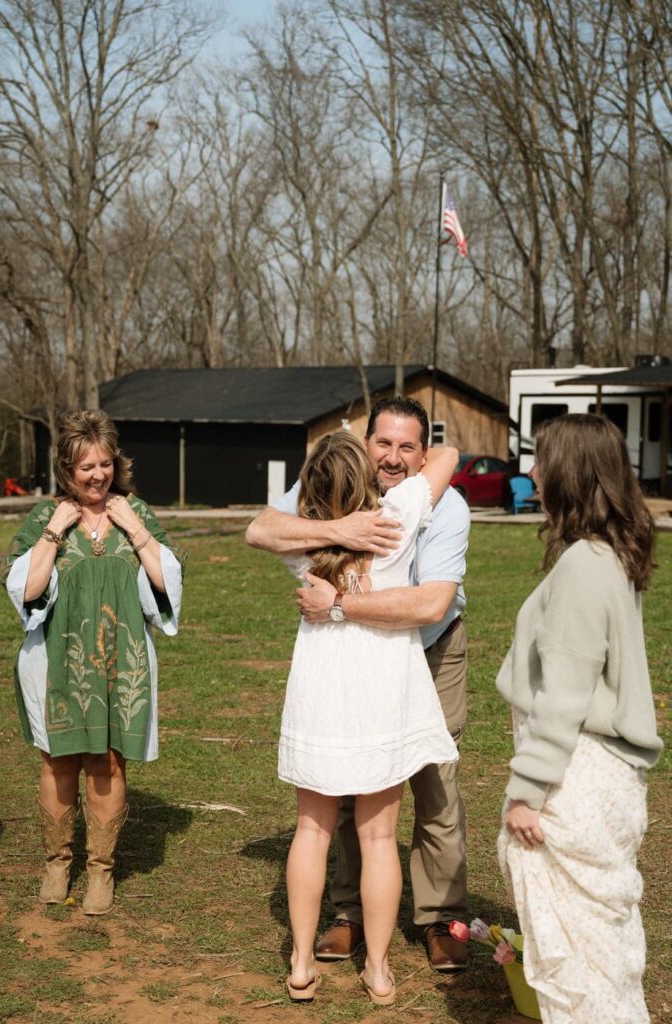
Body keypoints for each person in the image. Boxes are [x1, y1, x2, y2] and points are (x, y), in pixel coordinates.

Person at [246, 396, 471, 972]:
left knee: (432, 792)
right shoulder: (390, 514)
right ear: (365, 447)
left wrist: (340, 600)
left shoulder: (436, 508)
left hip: (427, 653)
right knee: (370, 826)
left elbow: (433, 602)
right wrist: (340, 526)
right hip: (379, 671)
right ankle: (356, 930)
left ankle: (438, 918)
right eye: (382, 444)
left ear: (420, 453)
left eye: (407, 447)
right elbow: (261, 527)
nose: (394, 457)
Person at [496, 413, 662, 1024]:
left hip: (577, 776)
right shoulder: (611, 554)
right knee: (602, 941)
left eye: (541, 461)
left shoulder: (583, 566)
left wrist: (526, 793)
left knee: (577, 957)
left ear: (568, 473)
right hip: (606, 774)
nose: (532, 473)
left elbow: (564, 696)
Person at [1, 410, 184, 915]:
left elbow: (168, 585)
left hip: (122, 661)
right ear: (67, 469)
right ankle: (57, 862)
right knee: (58, 760)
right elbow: (29, 590)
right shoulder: (45, 517)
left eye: (105, 463)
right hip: (55, 661)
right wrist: (56, 530)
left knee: (107, 760)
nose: (98, 475)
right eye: (86, 467)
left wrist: (135, 530)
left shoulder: (136, 513)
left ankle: (101, 869)